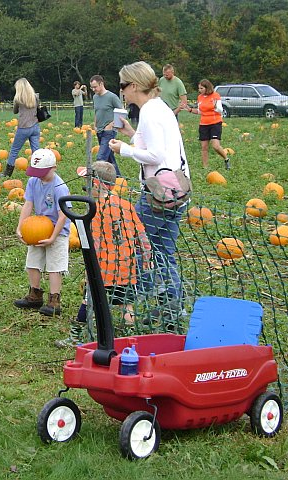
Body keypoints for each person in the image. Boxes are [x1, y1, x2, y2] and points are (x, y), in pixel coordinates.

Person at [109, 61, 190, 330]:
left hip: (157, 196)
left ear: (134, 86)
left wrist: (124, 150)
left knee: (133, 246)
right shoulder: (159, 109)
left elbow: (155, 156)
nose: (122, 92)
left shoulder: (150, 113)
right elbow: (158, 147)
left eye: (123, 86)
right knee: (165, 252)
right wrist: (131, 135)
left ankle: (129, 301)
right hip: (177, 192)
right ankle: (170, 310)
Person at [55, 161, 151, 348]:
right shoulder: (126, 205)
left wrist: (89, 269)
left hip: (102, 269)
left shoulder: (94, 210)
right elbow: (141, 235)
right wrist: (146, 258)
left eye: (87, 182)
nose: (86, 187)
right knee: (126, 304)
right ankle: (130, 338)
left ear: (96, 184)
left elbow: (96, 244)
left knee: (87, 301)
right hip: (126, 267)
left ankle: (76, 337)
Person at [14, 148, 70, 317]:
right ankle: (35, 294)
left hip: (57, 231)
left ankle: (54, 300)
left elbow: (63, 214)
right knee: (32, 262)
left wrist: (53, 237)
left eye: (42, 172)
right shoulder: (33, 182)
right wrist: (20, 226)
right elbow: (28, 205)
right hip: (38, 227)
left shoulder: (60, 187)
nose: (39, 175)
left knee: (55, 266)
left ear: (53, 167)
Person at [181, 79, 230, 170]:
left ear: (207, 88)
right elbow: (200, 111)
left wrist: (215, 106)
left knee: (215, 146)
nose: (200, 90)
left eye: (201, 88)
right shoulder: (200, 97)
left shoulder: (215, 96)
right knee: (204, 147)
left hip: (215, 123)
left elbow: (220, 110)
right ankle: (205, 167)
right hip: (204, 124)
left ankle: (226, 158)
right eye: (199, 88)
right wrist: (190, 110)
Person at [0, 78, 40, 178]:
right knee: (36, 151)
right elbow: (38, 109)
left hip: (23, 128)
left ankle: (7, 173)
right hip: (35, 126)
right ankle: (38, 172)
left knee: (14, 150)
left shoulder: (18, 99)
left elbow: (15, 111)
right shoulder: (35, 97)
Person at [90, 75, 123, 175]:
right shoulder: (95, 97)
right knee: (109, 158)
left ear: (101, 84)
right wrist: (95, 125)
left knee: (101, 158)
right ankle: (119, 179)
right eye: (92, 87)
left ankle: (96, 180)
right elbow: (97, 111)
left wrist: (111, 125)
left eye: (95, 87)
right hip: (99, 131)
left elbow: (121, 112)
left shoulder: (112, 97)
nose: (93, 89)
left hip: (109, 132)